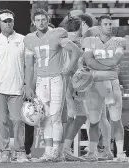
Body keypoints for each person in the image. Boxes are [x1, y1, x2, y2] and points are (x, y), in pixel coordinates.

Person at [24, 8, 81, 162]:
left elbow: (76, 51)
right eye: (38, 20)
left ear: (48, 20)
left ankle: (56, 150)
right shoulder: (29, 39)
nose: (41, 22)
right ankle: (48, 151)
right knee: (44, 118)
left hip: (56, 78)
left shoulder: (57, 34)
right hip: (41, 81)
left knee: (55, 116)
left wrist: (69, 69)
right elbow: (29, 66)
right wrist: (28, 85)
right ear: (33, 22)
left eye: (43, 19)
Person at [62, 15, 113, 161]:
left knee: (78, 117)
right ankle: (99, 151)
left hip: (68, 84)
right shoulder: (81, 41)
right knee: (95, 117)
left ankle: (65, 149)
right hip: (80, 84)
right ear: (81, 25)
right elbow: (82, 66)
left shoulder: (63, 40)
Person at [0, 9, 28, 163]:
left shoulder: (23, 40)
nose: (8, 23)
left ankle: (20, 151)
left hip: (17, 87)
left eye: (10, 20)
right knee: (1, 120)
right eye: (5, 21)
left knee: (17, 120)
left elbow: (28, 66)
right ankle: (4, 152)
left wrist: (27, 84)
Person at [82, 15, 126, 162]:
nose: (109, 26)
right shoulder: (90, 41)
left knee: (116, 119)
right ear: (99, 27)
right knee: (94, 120)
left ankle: (120, 153)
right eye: (106, 24)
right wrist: (107, 67)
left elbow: (116, 60)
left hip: (112, 84)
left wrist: (97, 64)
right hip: (95, 84)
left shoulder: (118, 41)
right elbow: (88, 61)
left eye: (110, 23)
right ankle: (93, 152)